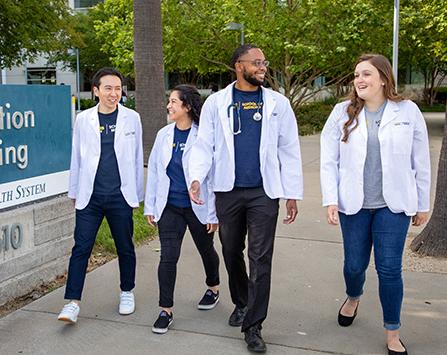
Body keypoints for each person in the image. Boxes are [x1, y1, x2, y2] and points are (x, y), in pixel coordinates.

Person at [188, 44, 303, 353]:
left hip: (264, 192)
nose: (263, 67)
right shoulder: (216, 103)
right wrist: (196, 178)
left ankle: (253, 325)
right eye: (256, 62)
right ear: (239, 66)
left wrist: (291, 193)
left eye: (264, 62)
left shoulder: (279, 103)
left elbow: (289, 150)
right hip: (227, 190)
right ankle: (241, 301)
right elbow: (203, 145)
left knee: (261, 257)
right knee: (229, 249)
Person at [320, 54, 431, 355]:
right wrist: (330, 199)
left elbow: (420, 161)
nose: (359, 80)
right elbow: (328, 160)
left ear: (383, 78)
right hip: (353, 205)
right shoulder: (342, 112)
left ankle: (392, 332)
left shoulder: (407, 111)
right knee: (354, 265)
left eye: (366, 74)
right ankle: (353, 296)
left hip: (392, 207)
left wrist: (422, 204)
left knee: (390, 269)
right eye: (356, 75)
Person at [58, 67, 144, 323]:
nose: (114, 93)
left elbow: (137, 158)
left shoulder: (132, 118)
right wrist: (74, 190)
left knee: (125, 247)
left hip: (120, 196)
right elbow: (77, 157)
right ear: (95, 91)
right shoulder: (83, 119)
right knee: (81, 248)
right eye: (108, 88)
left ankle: (126, 291)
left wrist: (136, 195)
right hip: (90, 197)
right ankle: (72, 303)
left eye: (118, 88)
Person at [144, 84, 220, 334]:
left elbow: (211, 177)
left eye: (174, 101)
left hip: (198, 208)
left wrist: (213, 214)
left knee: (206, 250)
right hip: (170, 207)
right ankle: (165, 310)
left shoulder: (203, 136)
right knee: (168, 257)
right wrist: (151, 207)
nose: (169, 105)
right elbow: (155, 171)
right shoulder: (164, 135)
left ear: (187, 107)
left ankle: (213, 287)